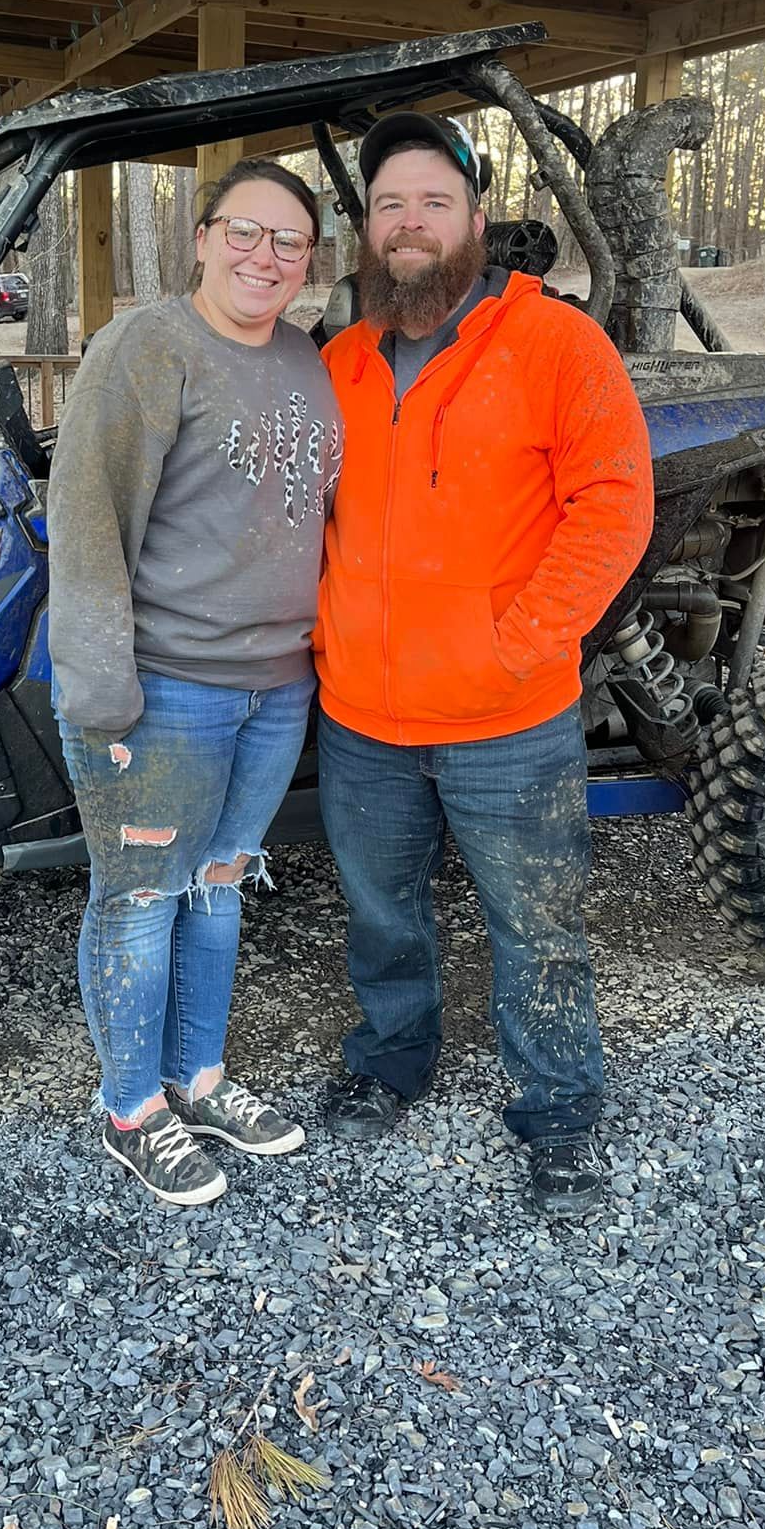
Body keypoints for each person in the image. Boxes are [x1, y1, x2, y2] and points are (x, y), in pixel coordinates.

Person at [315, 112, 653, 1217]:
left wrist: (520, 641)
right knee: (380, 912)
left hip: (507, 719)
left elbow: (613, 507)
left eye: (434, 202)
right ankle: (390, 1059)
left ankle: (558, 1111)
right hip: (361, 715)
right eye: (391, 206)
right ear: (369, 229)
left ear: (477, 217)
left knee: (539, 921)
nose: (410, 224)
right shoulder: (342, 360)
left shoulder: (557, 343)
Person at [47, 159, 343, 1207]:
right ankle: (132, 1108)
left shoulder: (311, 360)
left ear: (312, 259)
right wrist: (100, 692)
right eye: (245, 232)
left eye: (290, 241)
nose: (266, 255)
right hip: (165, 687)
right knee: (138, 901)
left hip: (276, 684)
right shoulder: (145, 348)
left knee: (222, 883)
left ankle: (200, 1077)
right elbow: (85, 522)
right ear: (204, 238)